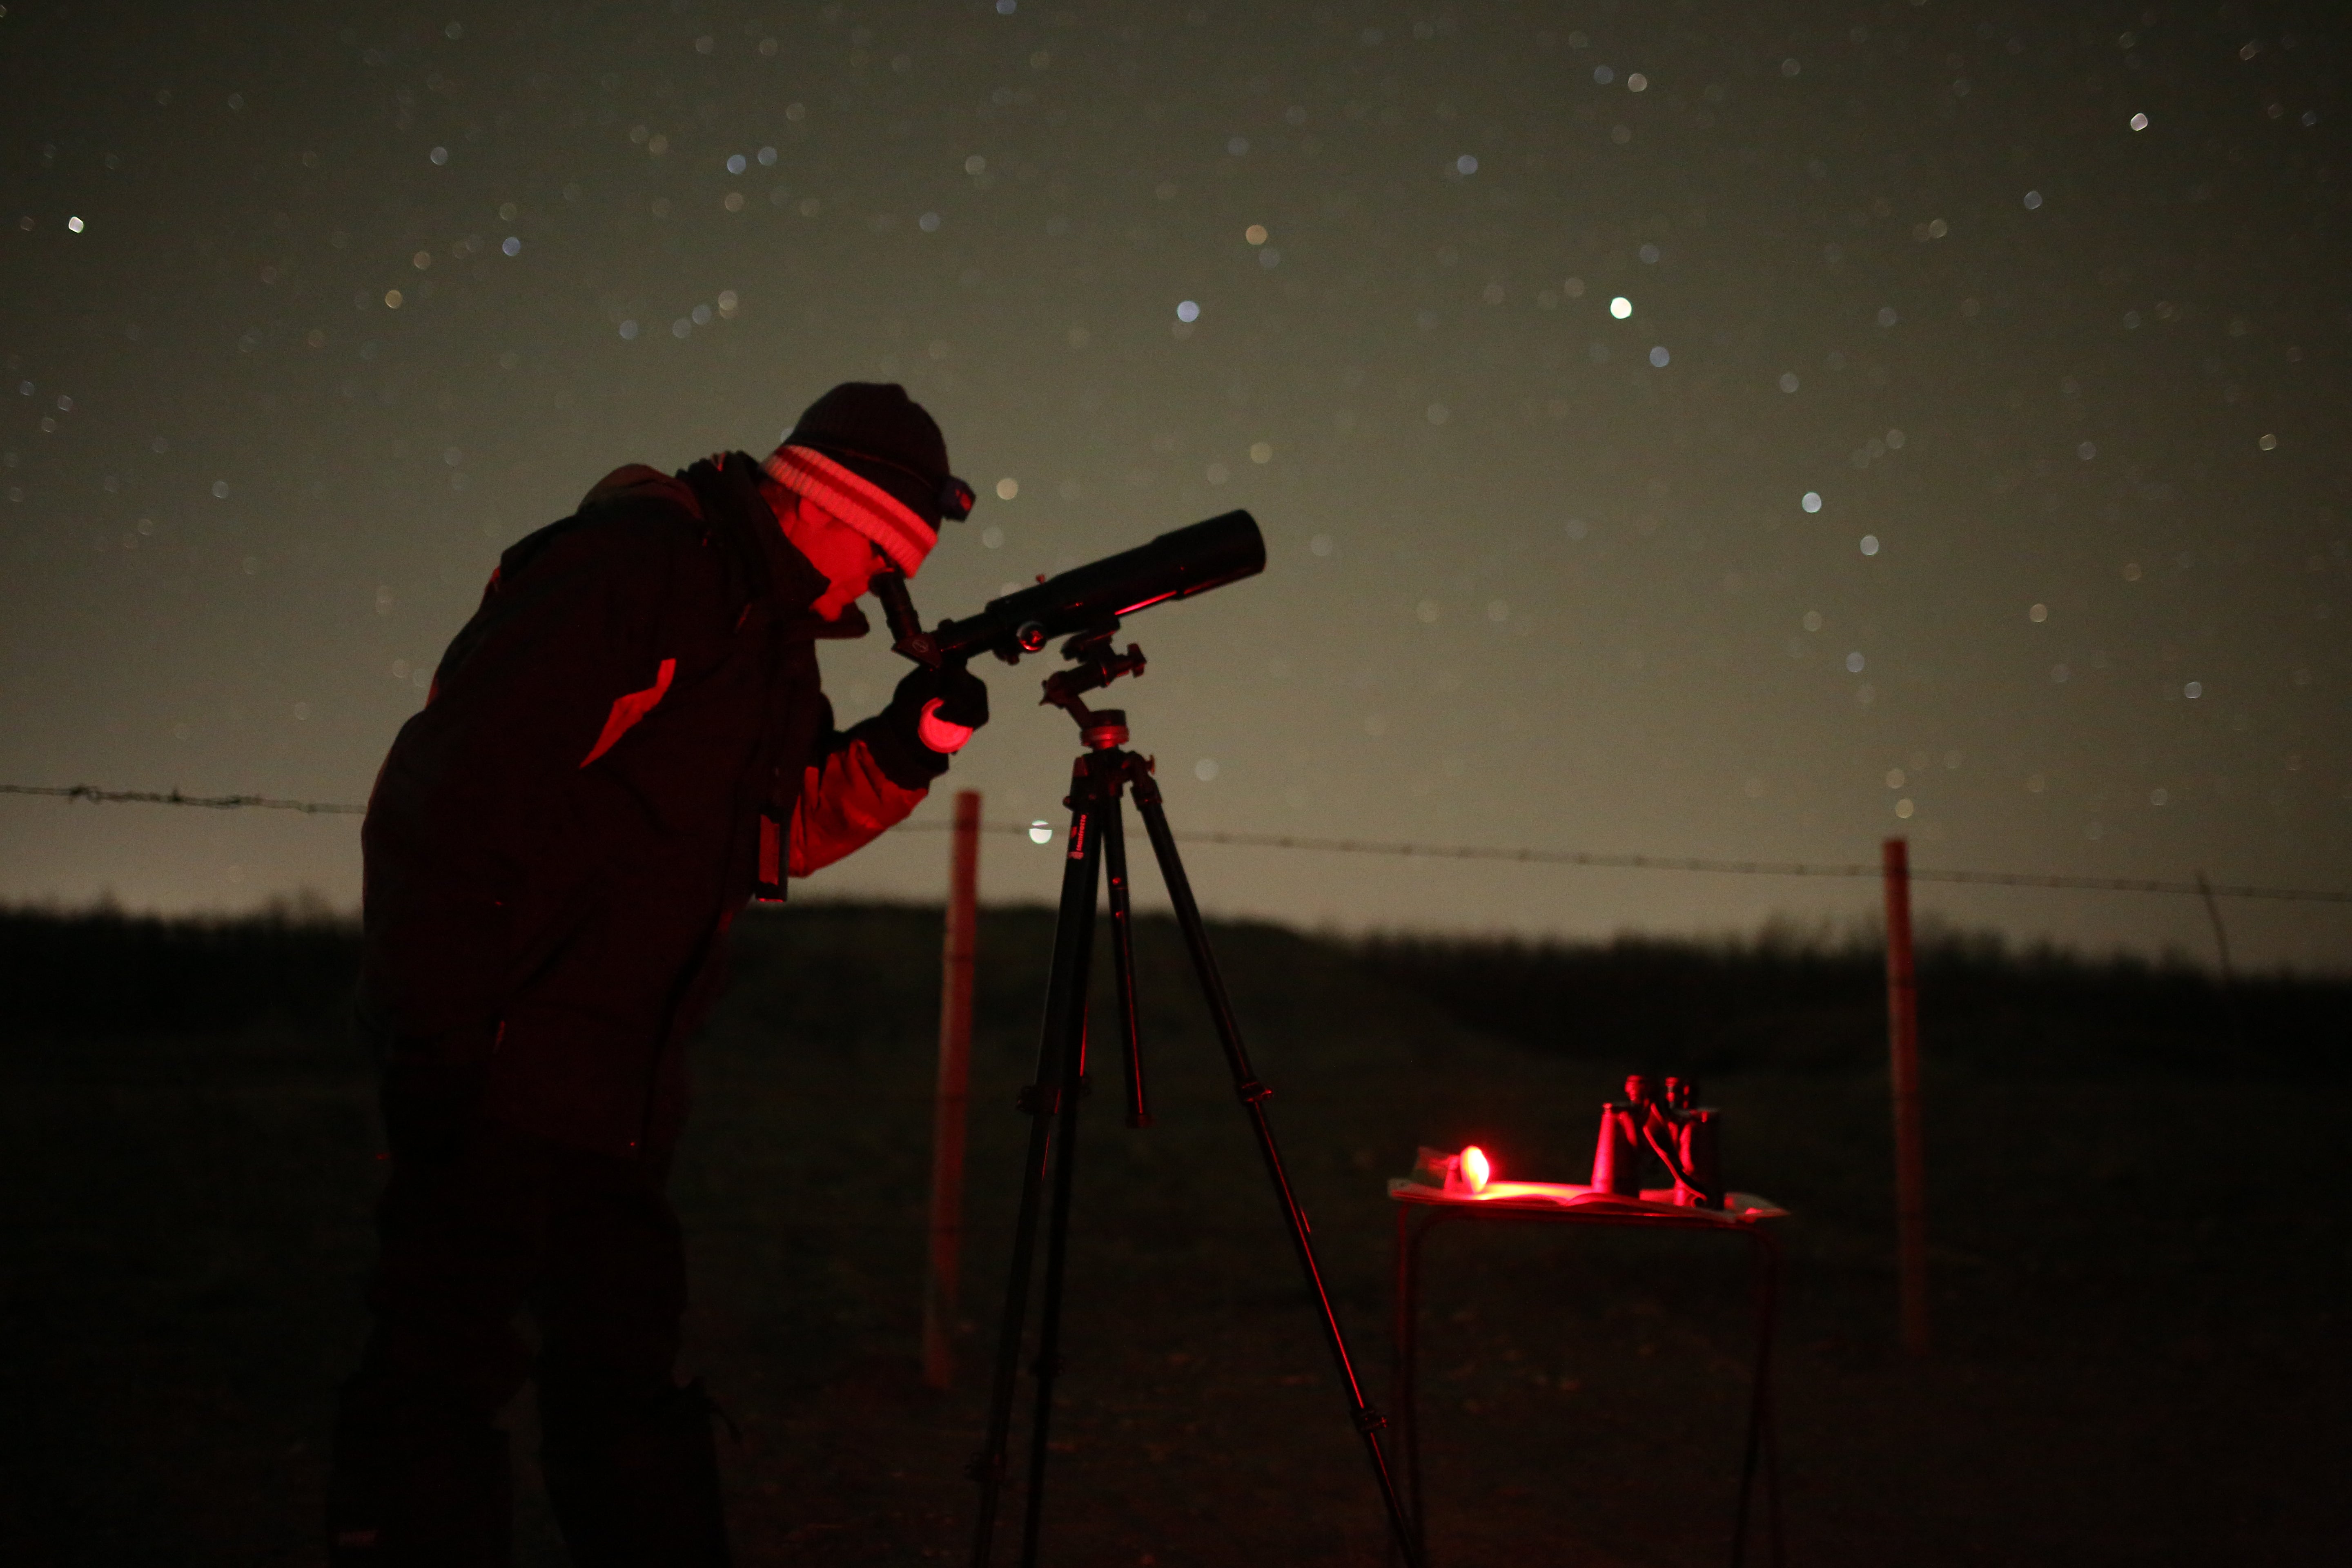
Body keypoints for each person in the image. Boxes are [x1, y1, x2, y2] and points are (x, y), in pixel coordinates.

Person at [328, 383, 988, 1565]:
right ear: (828, 510)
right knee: (439, 1376)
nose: (877, 590)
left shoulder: (774, 645)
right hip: (496, 1055)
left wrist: (905, 747)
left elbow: (773, 836)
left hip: (621, 1085)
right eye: (882, 556)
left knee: (626, 1383)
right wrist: (440, 1039)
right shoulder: (637, 574)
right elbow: (448, 797)